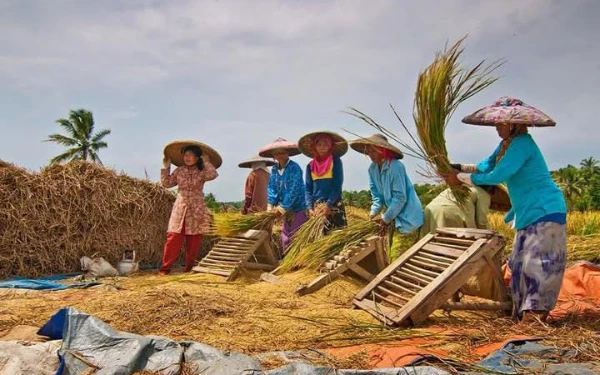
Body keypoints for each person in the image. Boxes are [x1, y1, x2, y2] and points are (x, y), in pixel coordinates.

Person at [444, 97, 567, 323]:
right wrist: (456, 167)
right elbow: (485, 166)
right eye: (496, 124)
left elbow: (498, 176)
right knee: (519, 263)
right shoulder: (506, 144)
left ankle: (536, 315)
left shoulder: (523, 144)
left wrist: (459, 178)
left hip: (545, 209)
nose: (497, 128)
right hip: (528, 212)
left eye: (501, 124)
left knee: (538, 263)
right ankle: (522, 313)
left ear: (515, 124)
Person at [159, 141, 221, 275]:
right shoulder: (179, 170)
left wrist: (206, 161)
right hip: (180, 206)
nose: (187, 157)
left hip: (197, 208)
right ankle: (165, 268)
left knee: (194, 241)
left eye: (191, 155)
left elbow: (213, 175)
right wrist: (166, 167)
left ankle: (188, 269)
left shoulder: (202, 171)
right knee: (173, 237)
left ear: (197, 158)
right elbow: (166, 184)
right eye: (185, 154)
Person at [349, 134, 424, 238]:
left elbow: (400, 197)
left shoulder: (395, 166)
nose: (371, 155)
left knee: (397, 253)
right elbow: (376, 196)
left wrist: (385, 219)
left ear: (382, 150)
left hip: (408, 219)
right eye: (369, 152)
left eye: (374, 151)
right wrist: (372, 213)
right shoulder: (372, 169)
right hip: (393, 218)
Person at [259, 138, 308, 255]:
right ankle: (288, 262)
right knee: (285, 237)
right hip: (286, 211)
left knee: (296, 235)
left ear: (288, 153)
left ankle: (298, 263)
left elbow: (294, 191)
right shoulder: (275, 170)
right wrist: (270, 207)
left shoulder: (294, 168)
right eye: (277, 152)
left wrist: (282, 208)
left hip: (298, 207)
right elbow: (272, 188)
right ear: (273, 156)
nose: (280, 155)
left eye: (283, 152)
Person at [298, 131, 348, 232]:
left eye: (325, 144)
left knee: (338, 238)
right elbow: (308, 189)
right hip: (318, 207)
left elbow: (337, 185)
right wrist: (310, 208)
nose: (322, 147)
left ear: (330, 146)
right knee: (320, 239)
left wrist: (328, 205)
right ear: (314, 146)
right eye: (319, 144)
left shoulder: (336, 161)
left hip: (334, 205)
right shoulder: (310, 166)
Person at [418, 184, 506, 239]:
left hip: (430, 211)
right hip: (450, 212)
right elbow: (481, 220)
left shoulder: (461, 186)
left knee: (430, 244)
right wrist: (489, 237)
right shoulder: (484, 194)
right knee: (451, 247)